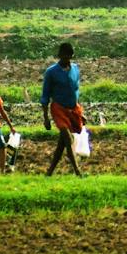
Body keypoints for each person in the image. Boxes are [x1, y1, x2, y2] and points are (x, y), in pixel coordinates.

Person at [41, 41, 85, 177]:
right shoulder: (51, 72)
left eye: (69, 57)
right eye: (65, 57)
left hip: (72, 108)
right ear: (60, 55)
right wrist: (46, 118)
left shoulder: (75, 69)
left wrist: (81, 112)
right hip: (58, 108)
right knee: (68, 138)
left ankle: (49, 172)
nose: (67, 60)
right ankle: (78, 171)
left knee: (62, 143)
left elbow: (76, 91)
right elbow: (45, 95)